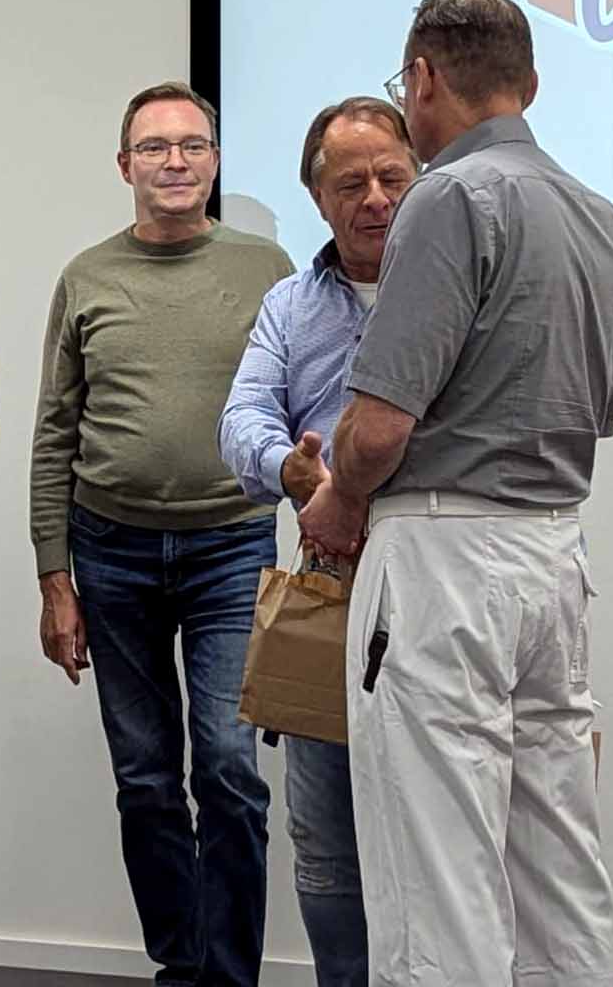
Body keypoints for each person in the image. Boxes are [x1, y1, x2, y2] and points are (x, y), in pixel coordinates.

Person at [300, 0, 613, 987]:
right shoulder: (603, 219)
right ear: (527, 83)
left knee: (436, 875)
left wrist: (339, 499)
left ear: (421, 79)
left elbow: (380, 427)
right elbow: (594, 410)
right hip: (554, 553)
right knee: (556, 863)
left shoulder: (448, 197)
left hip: (443, 559)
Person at [30, 81, 294, 986]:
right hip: (110, 552)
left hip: (231, 548)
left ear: (214, 161)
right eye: (154, 147)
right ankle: (181, 966)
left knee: (228, 769)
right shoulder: (86, 277)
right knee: (144, 777)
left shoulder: (266, 268)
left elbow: (302, 403)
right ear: (124, 166)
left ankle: (229, 976)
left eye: (191, 145)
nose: (174, 162)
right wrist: (53, 577)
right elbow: (54, 433)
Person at [217, 96, 418, 987]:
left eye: (391, 177)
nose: (374, 198)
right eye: (350, 183)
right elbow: (240, 420)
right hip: (329, 585)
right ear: (316, 197)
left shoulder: (461, 283)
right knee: (327, 841)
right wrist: (290, 470)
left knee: (437, 829)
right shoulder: (290, 305)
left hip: (436, 578)